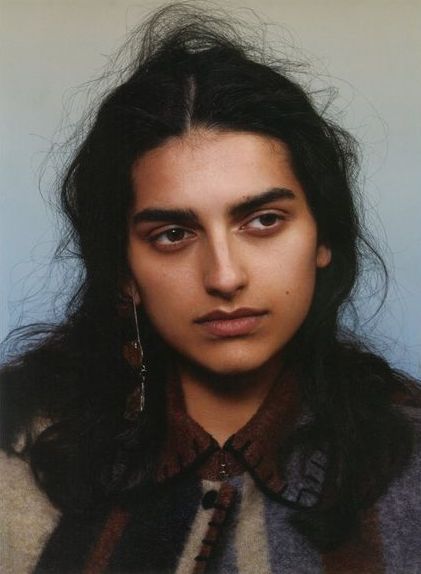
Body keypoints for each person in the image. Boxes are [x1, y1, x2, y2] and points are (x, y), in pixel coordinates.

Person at [1, 4, 420, 574]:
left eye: (264, 221)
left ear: (325, 236)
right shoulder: (16, 451)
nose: (224, 276)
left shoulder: (410, 459)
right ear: (123, 267)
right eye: (173, 234)